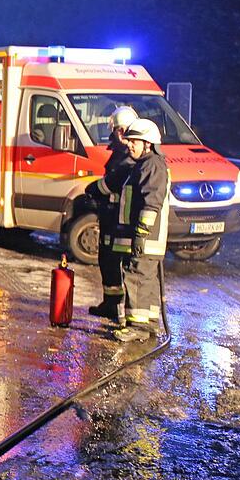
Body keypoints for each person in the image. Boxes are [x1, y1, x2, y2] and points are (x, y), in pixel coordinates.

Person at [110, 119, 170, 342]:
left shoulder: (151, 165)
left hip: (145, 238)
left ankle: (138, 327)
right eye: (129, 141)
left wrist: (141, 234)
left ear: (148, 144)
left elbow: (151, 203)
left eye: (134, 142)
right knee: (147, 280)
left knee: (136, 278)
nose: (129, 145)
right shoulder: (144, 164)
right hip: (144, 238)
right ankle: (149, 323)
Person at [85, 106, 138, 321]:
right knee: (107, 260)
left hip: (120, 220)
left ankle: (118, 309)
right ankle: (110, 304)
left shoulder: (129, 157)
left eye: (115, 130)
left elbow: (111, 183)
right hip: (111, 217)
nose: (113, 135)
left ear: (121, 130)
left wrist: (93, 189)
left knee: (116, 263)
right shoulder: (121, 153)